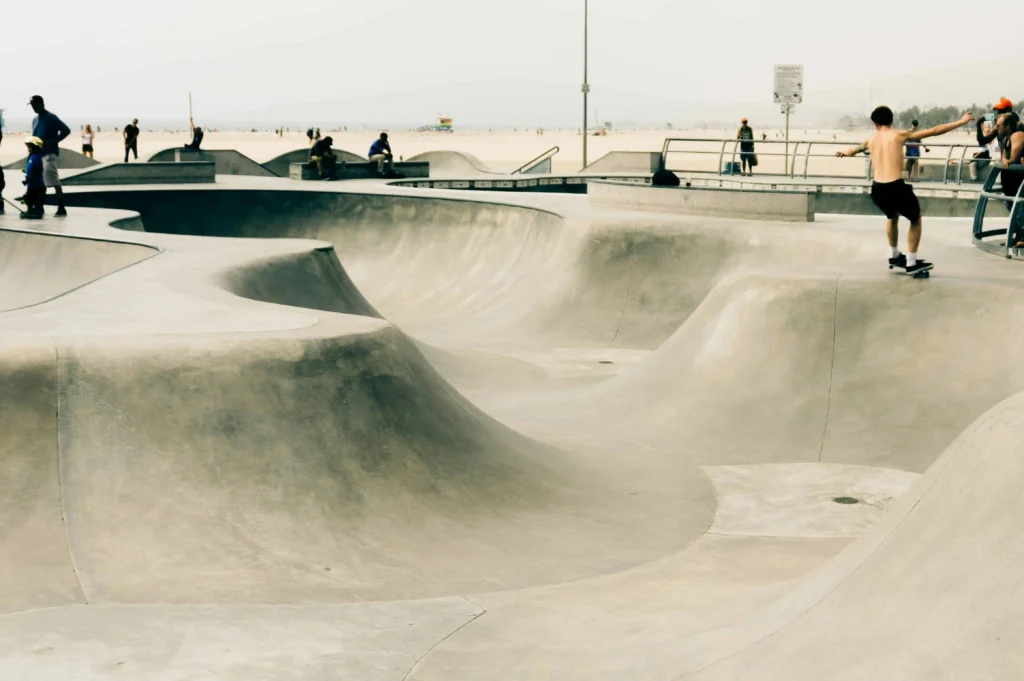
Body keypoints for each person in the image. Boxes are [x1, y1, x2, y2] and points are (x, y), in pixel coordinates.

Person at [836, 106, 973, 273]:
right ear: (891, 121)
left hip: (878, 188)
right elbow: (934, 131)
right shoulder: (899, 135)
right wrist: (961, 121)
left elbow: (852, 151)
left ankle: (894, 255)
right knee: (915, 219)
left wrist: (843, 152)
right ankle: (911, 262)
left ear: (875, 123)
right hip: (895, 186)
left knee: (891, 216)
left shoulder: (869, 140)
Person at [29, 95, 70, 217]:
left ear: (41, 104)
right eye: (31, 106)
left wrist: (54, 141)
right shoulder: (35, 119)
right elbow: (34, 137)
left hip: (49, 154)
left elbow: (66, 130)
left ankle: (61, 207)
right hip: (38, 155)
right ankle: (39, 207)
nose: (33, 108)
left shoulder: (51, 117)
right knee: (39, 182)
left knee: (52, 180)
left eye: (34, 105)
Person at [19, 136, 46, 220]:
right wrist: (26, 171)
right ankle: (32, 210)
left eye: (30, 146)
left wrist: (29, 178)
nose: (28, 148)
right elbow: (31, 168)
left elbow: (37, 169)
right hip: (32, 184)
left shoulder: (36, 157)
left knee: (32, 198)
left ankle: (36, 212)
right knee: (28, 198)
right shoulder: (32, 156)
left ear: (35, 147)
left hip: (37, 184)